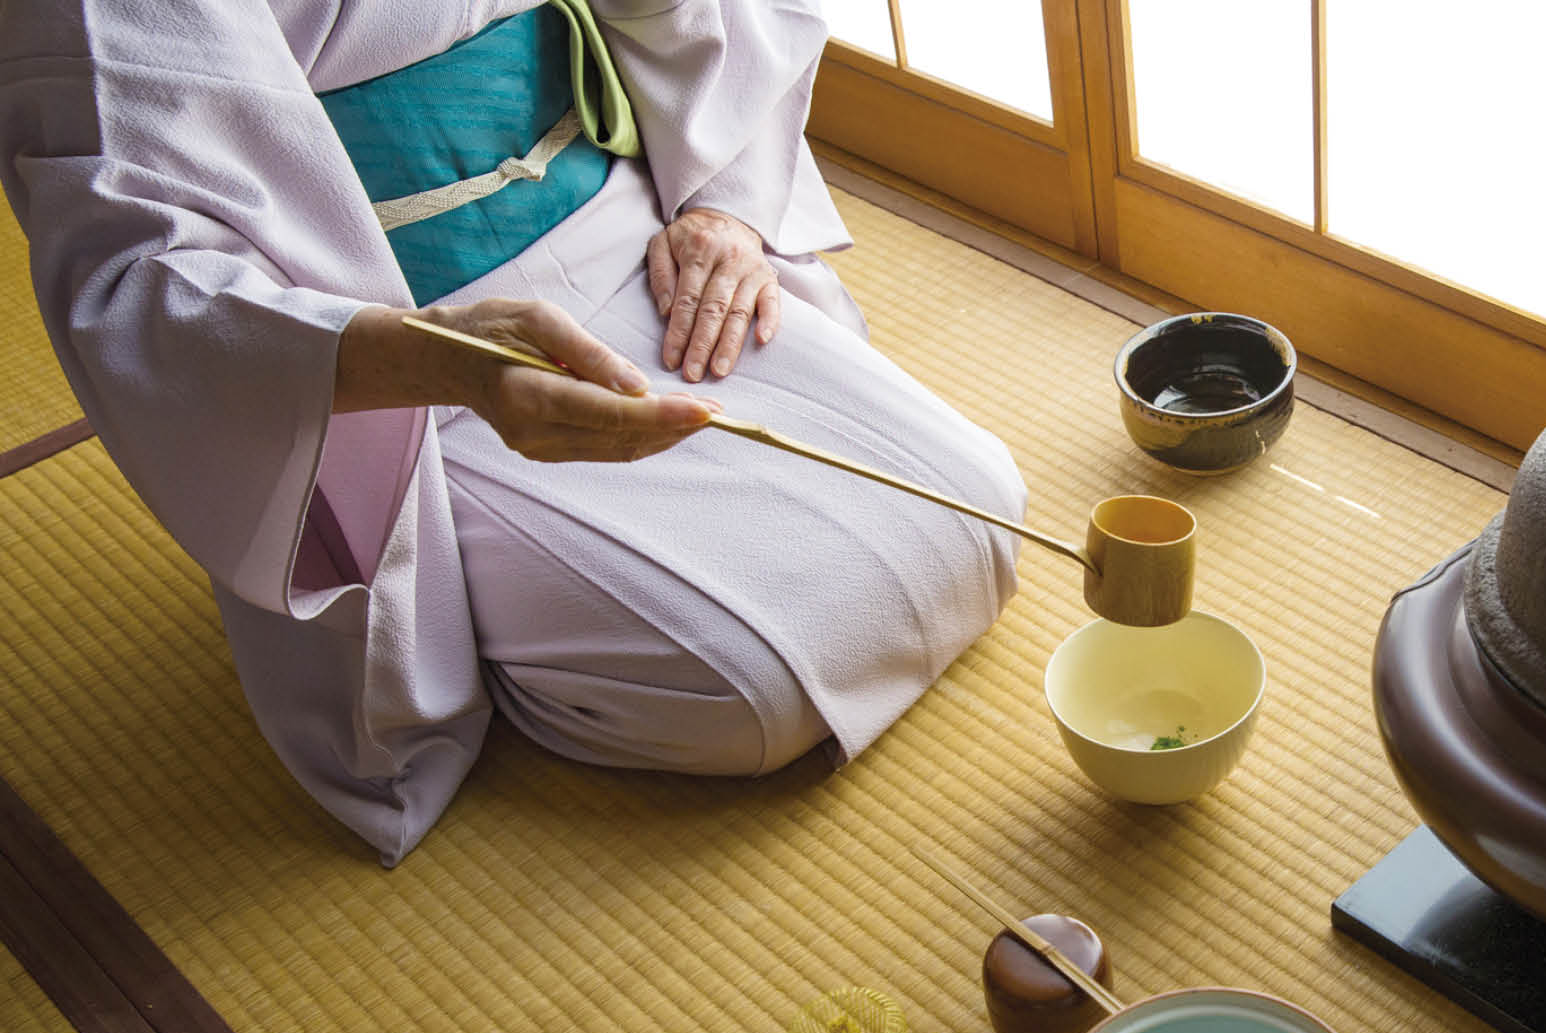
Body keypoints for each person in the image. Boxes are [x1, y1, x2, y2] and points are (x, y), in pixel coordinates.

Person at [0, 0, 1028, 864]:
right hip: (380, 343)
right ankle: (463, 608)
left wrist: (724, 213)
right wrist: (437, 359)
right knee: (743, 682)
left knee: (982, 502)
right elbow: (141, 282)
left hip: (629, 236)